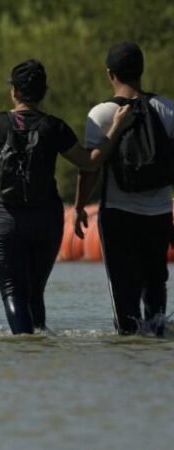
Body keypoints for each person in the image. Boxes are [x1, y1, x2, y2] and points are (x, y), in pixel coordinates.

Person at [0, 59, 132, 334]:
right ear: (43, 92)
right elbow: (89, 162)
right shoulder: (54, 127)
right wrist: (115, 127)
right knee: (35, 291)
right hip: (47, 219)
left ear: (14, 91)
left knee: (13, 291)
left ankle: (24, 345)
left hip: (5, 219)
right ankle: (40, 345)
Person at [74, 42, 174, 336]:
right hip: (159, 213)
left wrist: (79, 207)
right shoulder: (167, 108)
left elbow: (90, 167)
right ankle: (158, 339)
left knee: (123, 289)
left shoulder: (102, 113)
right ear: (142, 71)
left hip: (118, 214)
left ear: (110, 74)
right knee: (156, 283)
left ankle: (129, 346)